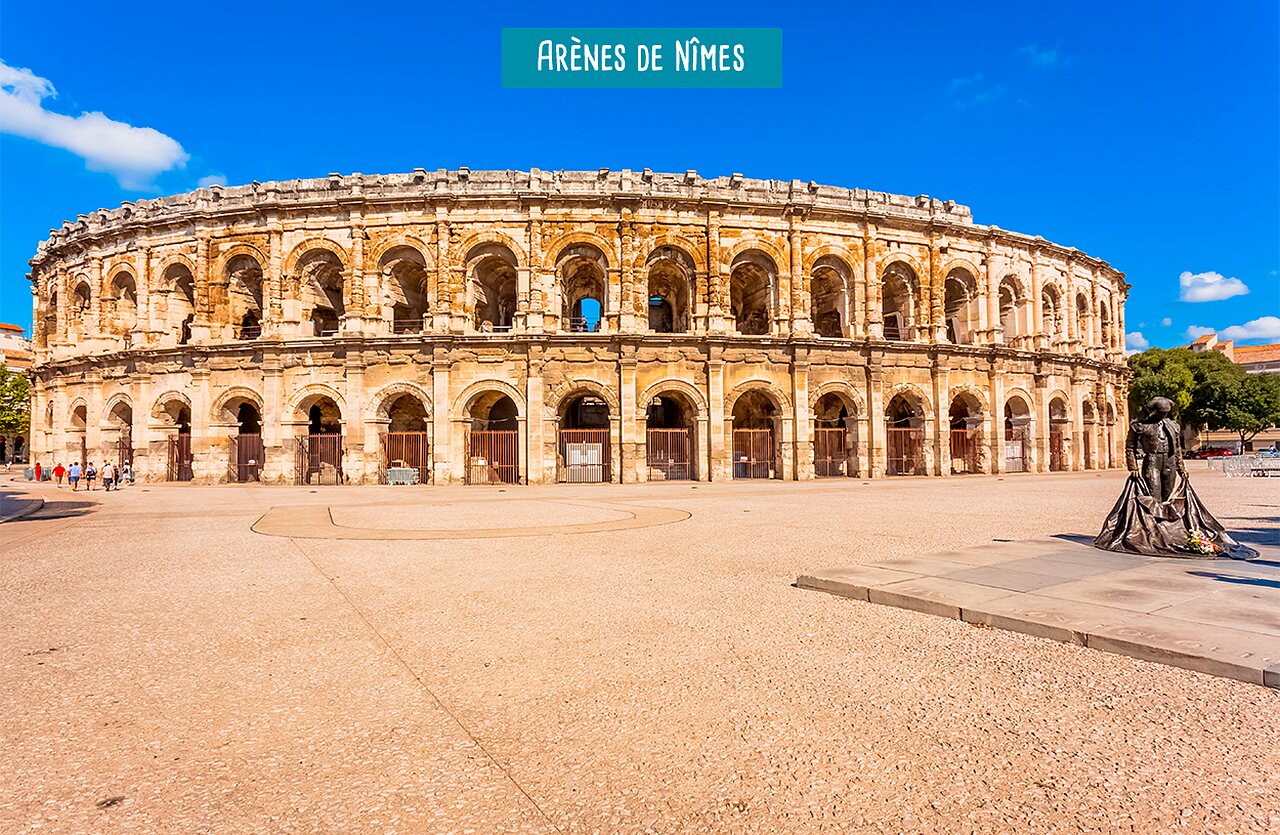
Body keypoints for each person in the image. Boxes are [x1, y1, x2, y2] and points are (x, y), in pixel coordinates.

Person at [1095, 396, 1257, 559]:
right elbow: (1129, 447)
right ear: (1154, 411)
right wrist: (1133, 466)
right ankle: (1152, 530)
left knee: (1167, 495)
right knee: (1153, 496)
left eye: (1166, 413)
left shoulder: (1173, 426)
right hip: (1152, 460)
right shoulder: (1139, 426)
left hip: (1169, 462)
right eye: (1161, 413)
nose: (1164, 415)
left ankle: (1163, 528)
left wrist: (1181, 468)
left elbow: (1177, 449)